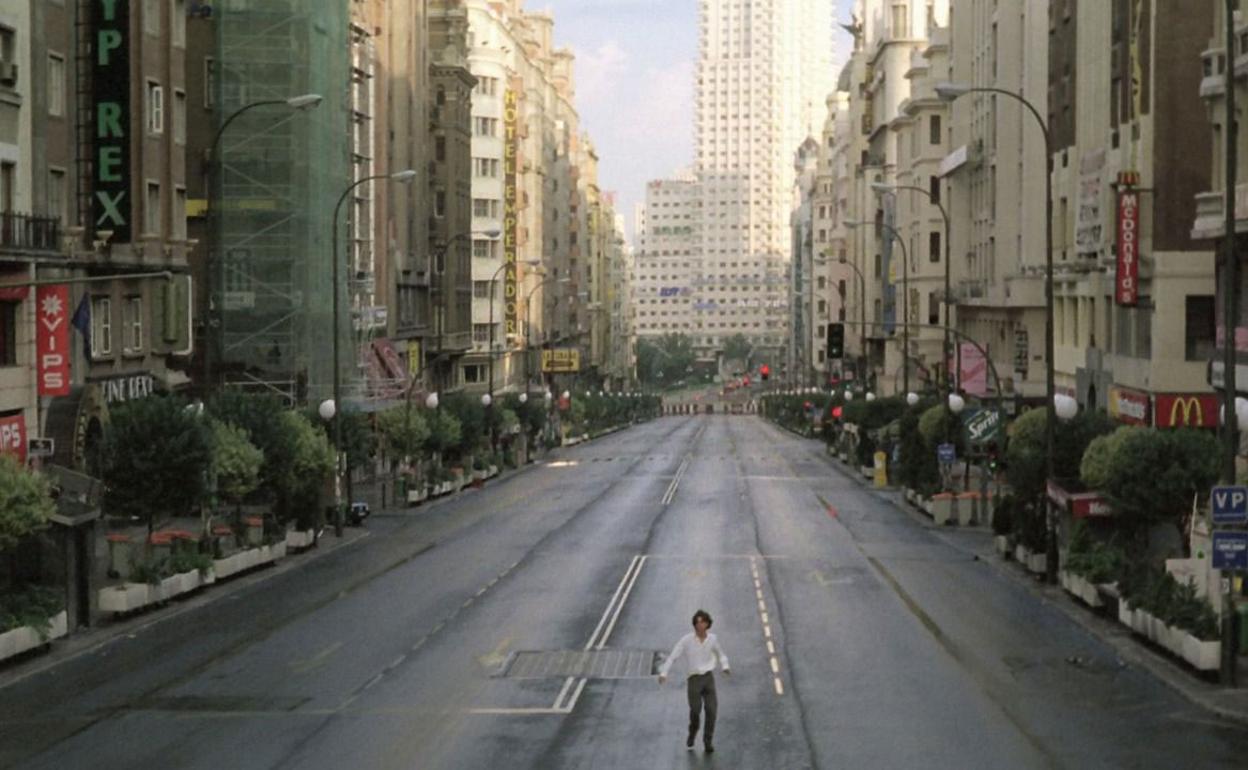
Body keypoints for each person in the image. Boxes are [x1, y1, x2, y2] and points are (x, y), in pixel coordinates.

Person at [658, 609, 730, 753]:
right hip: (694, 680)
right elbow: (673, 656)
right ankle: (692, 732)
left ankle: (707, 741)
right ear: (694, 625)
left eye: (702, 622)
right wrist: (664, 673)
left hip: (708, 678)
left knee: (712, 711)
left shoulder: (713, 639)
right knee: (695, 711)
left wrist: (725, 666)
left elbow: (721, 654)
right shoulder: (686, 640)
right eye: (697, 622)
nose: (700, 625)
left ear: (708, 624)